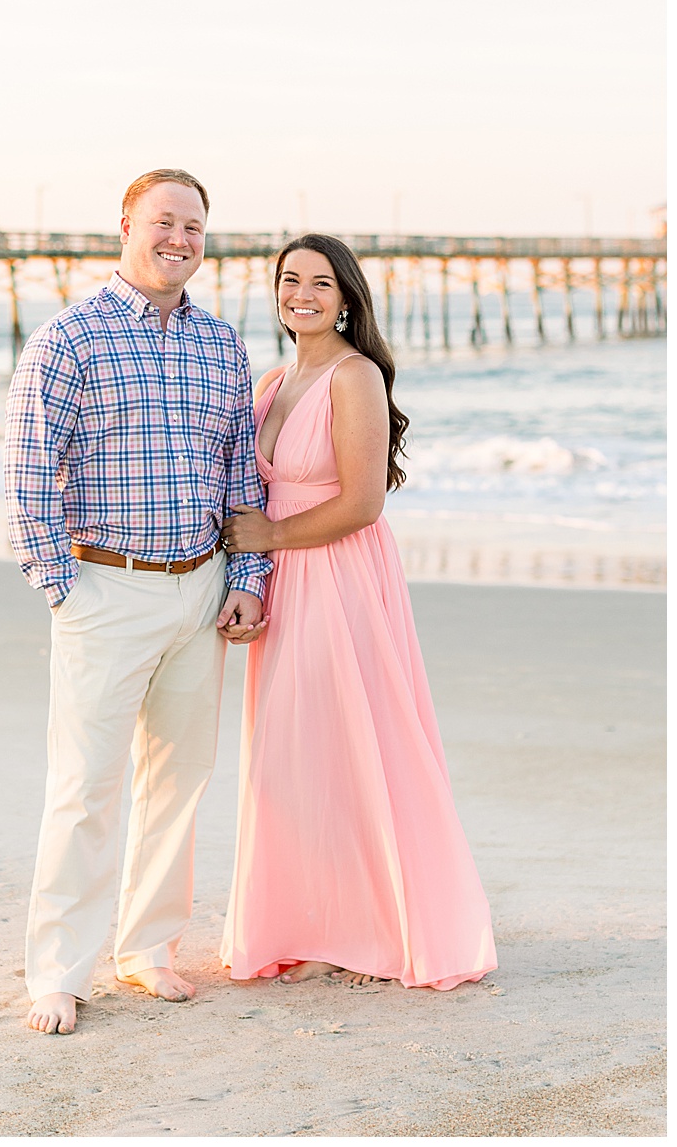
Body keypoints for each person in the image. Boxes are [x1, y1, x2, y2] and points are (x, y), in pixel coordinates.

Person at [4, 168, 272, 1037]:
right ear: (127, 224)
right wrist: (61, 589)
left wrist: (245, 580)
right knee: (85, 787)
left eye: (195, 227)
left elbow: (240, 472)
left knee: (180, 783)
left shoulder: (222, 346)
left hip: (199, 588)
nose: (180, 240)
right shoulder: (69, 339)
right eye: (164, 222)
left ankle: (147, 949)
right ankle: (58, 971)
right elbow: (27, 475)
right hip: (103, 588)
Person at [219, 234, 496, 990]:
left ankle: (383, 922)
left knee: (355, 742)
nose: (300, 294)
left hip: (338, 574)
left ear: (346, 299)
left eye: (319, 283)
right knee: (291, 755)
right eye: (288, 280)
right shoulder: (273, 382)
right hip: (283, 579)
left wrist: (271, 536)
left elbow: (364, 502)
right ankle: (308, 920)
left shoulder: (356, 376)